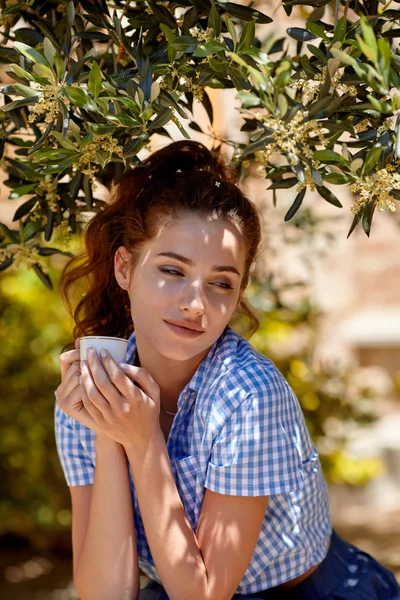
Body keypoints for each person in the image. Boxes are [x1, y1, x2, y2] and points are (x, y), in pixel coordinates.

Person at [55, 140, 400, 600]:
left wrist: (141, 440)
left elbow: (203, 596)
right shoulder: (86, 393)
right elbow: (107, 594)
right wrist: (108, 429)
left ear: (238, 295)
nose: (195, 304)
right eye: (172, 270)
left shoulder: (247, 394)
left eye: (221, 283)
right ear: (124, 267)